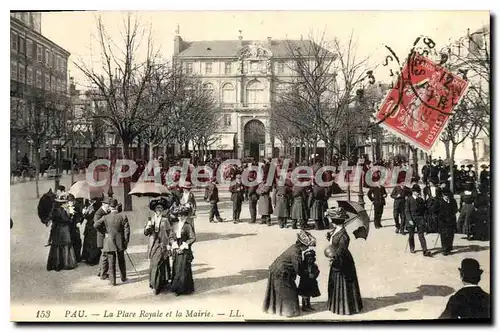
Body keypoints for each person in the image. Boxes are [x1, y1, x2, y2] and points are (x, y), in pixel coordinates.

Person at [263, 230, 316, 317]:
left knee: (282, 292)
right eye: (307, 246)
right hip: (280, 273)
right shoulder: (296, 253)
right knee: (289, 293)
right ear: (303, 245)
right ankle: (287, 311)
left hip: (277, 270)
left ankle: (278, 309)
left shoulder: (294, 247)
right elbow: (298, 268)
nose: (308, 248)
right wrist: (307, 275)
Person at [325, 211, 363, 315]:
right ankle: (337, 305)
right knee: (337, 283)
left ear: (334, 222)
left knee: (343, 283)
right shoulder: (336, 230)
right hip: (337, 259)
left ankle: (345, 307)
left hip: (342, 261)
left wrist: (333, 258)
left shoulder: (344, 235)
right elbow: (334, 242)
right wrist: (330, 237)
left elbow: (341, 250)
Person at [94, 199, 130, 286]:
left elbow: (95, 225)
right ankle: (123, 277)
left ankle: (112, 281)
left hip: (109, 240)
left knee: (111, 261)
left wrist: (105, 232)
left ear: (110, 207)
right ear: (117, 206)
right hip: (120, 241)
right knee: (121, 260)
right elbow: (127, 231)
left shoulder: (105, 217)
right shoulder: (123, 216)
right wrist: (125, 242)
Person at [144, 199, 172, 295]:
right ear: (154, 210)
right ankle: (156, 283)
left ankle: (157, 285)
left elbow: (170, 232)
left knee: (159, 262)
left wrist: (169, 244)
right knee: (154, 263)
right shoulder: (150, 219)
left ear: (163, 209)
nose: (159, 210)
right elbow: (146, 233)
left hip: (162, 244)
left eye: (161, 208)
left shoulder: (165, 220)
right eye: (157, 208)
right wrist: (148, 228)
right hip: (153, 244)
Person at [46, 193, 78, 271]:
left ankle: (56, 264)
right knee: (65, 245)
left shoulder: (54, 210)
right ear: (62, 203)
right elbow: (67, 220)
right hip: (63, 230)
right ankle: (66, 263)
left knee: (56, 246)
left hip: (56, 230)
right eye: (65, 202)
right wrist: (71, 215)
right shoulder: (62, 211)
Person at [169, 205, 196, 295]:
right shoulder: (175, 225)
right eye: (179, 215)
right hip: (176, 248)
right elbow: (171, 236)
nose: (181, 217)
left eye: (183, 215)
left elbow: (192, 238)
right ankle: (176, 287)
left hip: (184, 248)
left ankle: (184, 288)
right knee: (176, 267)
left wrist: (184, 245)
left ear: (186, 216)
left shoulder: (188, 226)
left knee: (183, 267)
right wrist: (174, 244)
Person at [405, 184, 432, 257]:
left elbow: (424, 210)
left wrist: (424, 219)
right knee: (411, 235)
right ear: (413, 192)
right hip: (411, 219)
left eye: (419, 191)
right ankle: (412, 247)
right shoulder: (409, 200)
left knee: (421, 235)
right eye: (416, 191)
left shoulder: (421, 200)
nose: (418, 193)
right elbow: (407, 211)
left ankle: (425, 250)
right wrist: (409, 220)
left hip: (420, 219)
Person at [81, 197, 103, 265]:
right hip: (89, 226)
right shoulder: (89, 205)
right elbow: (86, 216)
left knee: (93, 243)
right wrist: (84, 212)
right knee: (88, 241)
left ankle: (93, 259)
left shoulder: (97, 206)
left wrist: (88, 212)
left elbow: (94, 216)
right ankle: (87, 257)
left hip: (94, 227)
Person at [437, 188, 458, 255]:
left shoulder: (453, 201)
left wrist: (452, 214)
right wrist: (442, 216)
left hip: (451, 220)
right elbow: (437, 211)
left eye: (448, 195)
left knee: (451, 234)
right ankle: (444, 249)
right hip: (443, 221)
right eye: (445, 195)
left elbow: (456, 209)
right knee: (444, 235)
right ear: (442, 195)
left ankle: (449, 247)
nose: (447, 196)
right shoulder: (439, 202)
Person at [94, 199, 110, 279]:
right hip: (102, 237)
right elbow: (96, 226)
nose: (109, 206)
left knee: (103, 255)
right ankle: (103, 274)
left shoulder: (106, 211)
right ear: (103, 204)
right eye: (108, 204)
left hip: (105, 237)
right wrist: (105, 231)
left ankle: (100, 272)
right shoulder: (98, 213)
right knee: (105, 255)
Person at [65, 194, 83, 263]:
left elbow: (80, 215)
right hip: (68, 227)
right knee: (71, 241)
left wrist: (79, 221)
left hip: (75, 226)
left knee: (77, 241)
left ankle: (77, 257)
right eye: (69, 201)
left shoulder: (77, 206)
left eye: (72, 201)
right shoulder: (66, 207)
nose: (71, 203)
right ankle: (72, 258)